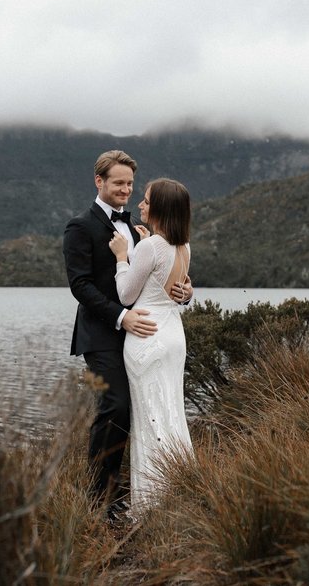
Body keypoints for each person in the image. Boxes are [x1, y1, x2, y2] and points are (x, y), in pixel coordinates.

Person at [62, 151, 193, 521]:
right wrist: (122, 317)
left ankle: (145, 490)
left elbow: (155, 275)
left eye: (130, 184)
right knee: (116, 407)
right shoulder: (79, 227)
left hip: (142, 337)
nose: (125, 190)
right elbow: (80, 285)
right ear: (99, 181)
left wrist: (185, 291)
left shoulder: (142, 231)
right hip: (102, 334)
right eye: (118, 182)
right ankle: (100, 499)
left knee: (145, 410)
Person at [107, 177, 194, 515]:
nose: (140, 205)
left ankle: (151, 503)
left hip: (147, 336)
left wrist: (121, 257)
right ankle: (180, 488)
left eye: (145, 200)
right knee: (171, 413)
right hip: (173, 336)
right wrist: (189, 293)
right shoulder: (183, 246)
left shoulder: (147, 247)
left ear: (159, 207)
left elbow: (126, 295)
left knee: (149, 419)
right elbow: (178, 287)